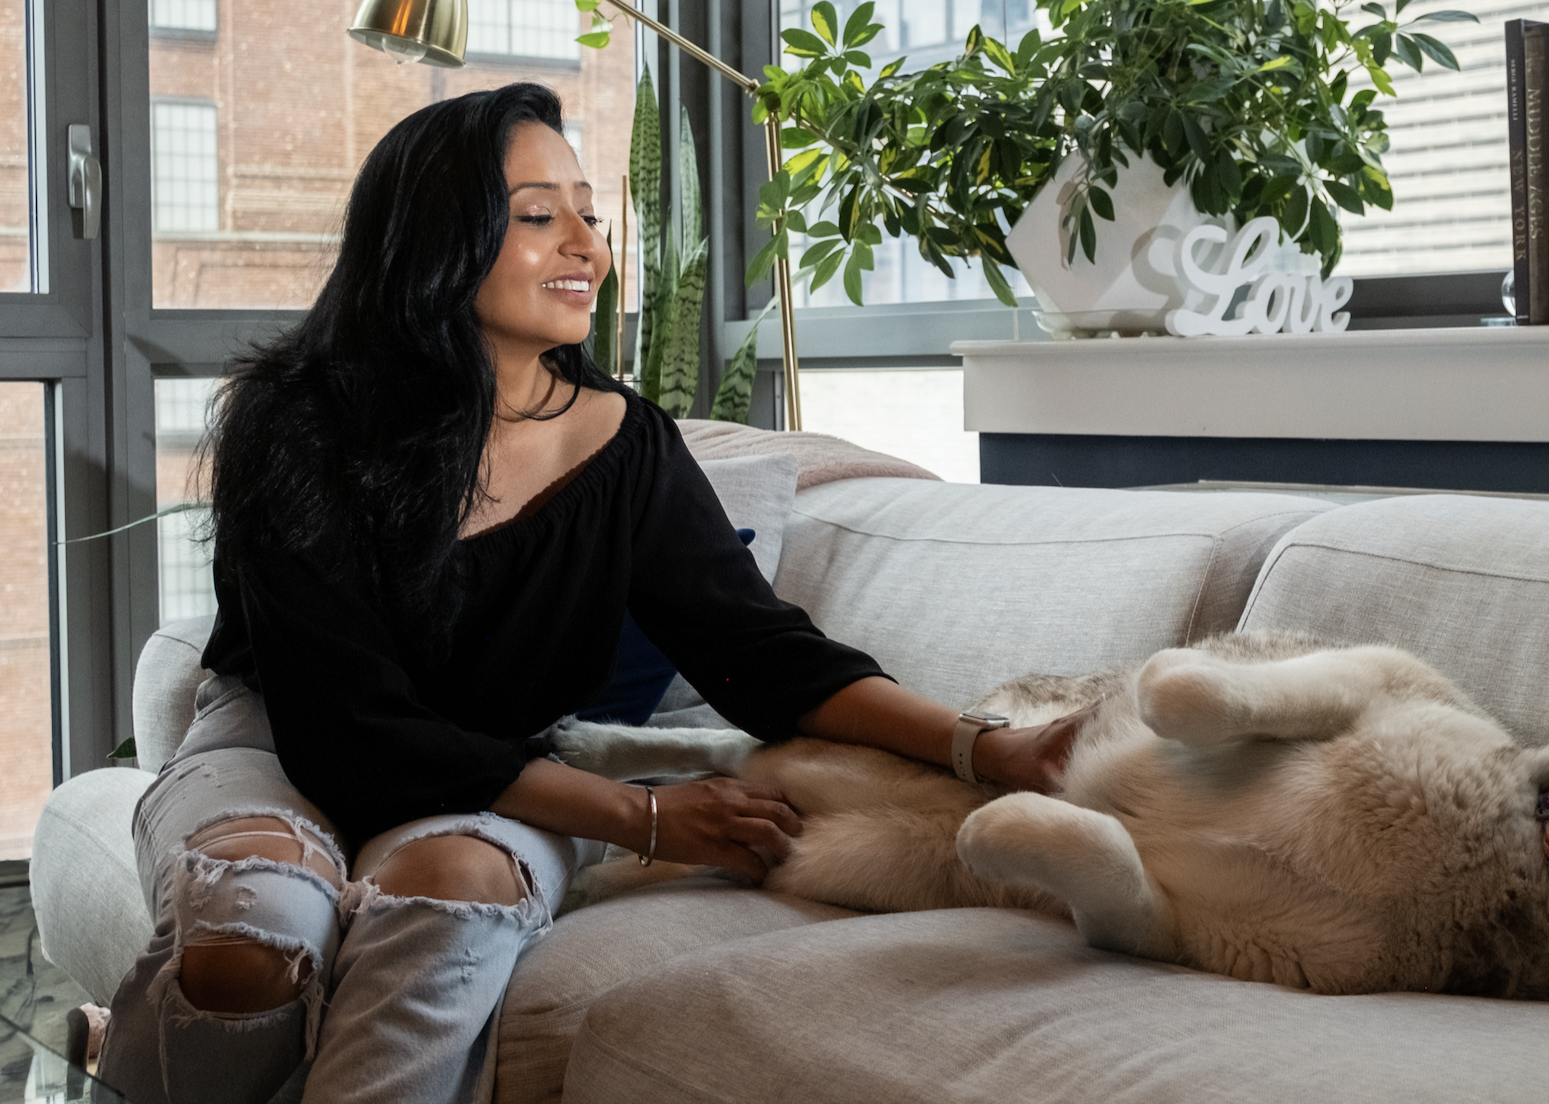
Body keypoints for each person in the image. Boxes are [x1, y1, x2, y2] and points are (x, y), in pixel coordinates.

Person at [96, 82, 1078, 1104]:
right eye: (535, 216)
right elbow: (347, 724)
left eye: (590, 214)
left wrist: (981, 745)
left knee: (454, 895)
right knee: (253, 932)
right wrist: (642, 818)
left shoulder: (626, 442)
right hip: (278, 742)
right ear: (436, 238)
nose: (585, 245)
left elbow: (760, 654)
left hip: (496, 770)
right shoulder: (296, 419)